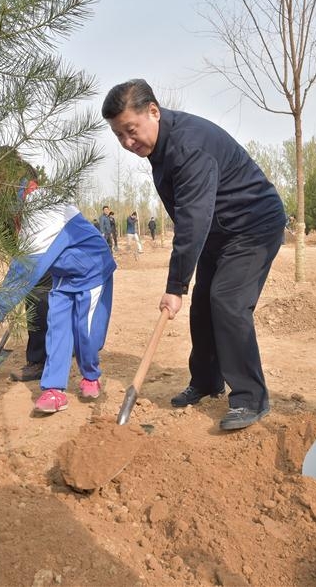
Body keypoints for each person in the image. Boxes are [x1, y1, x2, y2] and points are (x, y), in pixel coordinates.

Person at [102, 79, 286, 431]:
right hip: (222, 229)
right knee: (202, 305)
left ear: (153, 112)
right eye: (119, 136)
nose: (127, 142)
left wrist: (175, 285)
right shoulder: (160, 147)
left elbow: (192, 219)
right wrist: (185, 287)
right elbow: (193, 216)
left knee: (228, 301)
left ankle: (250, 398)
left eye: (131, 130)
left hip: (253, 226)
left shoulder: (188, 147)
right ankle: (206, 381)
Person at [0, 150, 116, 414]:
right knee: (56, 326)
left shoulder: (41, 205)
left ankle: (91, 376)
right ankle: (54, 390)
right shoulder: (19, 206)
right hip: (64, 274)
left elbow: (27, 264)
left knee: (85, 332)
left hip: (91, 270)